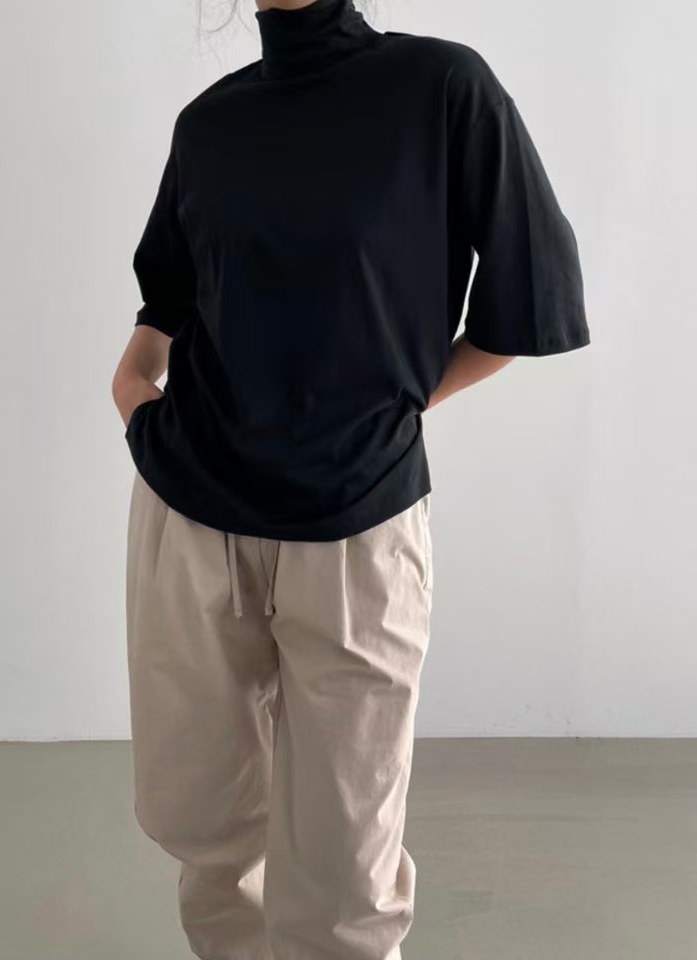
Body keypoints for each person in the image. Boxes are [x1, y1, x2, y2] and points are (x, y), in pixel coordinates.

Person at [111, 1, 590, 958]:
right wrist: (133, 386)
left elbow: (529, 298)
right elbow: (169, 294)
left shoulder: (442, 88)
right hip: (190, 515)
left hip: (357, 529)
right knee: (203, 828)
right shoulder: (209, 125)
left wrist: (389, 409)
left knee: (347, 860)